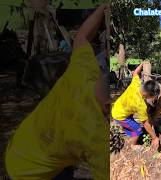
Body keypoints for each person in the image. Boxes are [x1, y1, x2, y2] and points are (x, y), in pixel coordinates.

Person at [5, 4, 109, 179]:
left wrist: (102, 8)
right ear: (108, 107)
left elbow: (82, 36)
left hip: (19, 147)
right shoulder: (97, 139)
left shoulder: (84, 71)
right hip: (32, 174)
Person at [111, 63, 161, 151]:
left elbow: (135, 73)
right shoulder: (140, 105)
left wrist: (141, 65)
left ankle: (128, 128)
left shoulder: (136, 83)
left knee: (132, 122)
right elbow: (145, 124)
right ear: (148, 94)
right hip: (119, 115)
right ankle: (133, 145)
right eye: (153, 96)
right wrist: (154, 138)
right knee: (137, 130)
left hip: (118, 106)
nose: (153, 98)